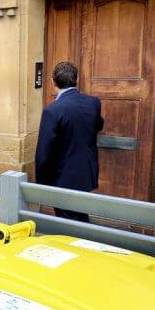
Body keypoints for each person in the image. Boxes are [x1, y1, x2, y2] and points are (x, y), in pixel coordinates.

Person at [34, 61, 104, 222]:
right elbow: (98, 124)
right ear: (77, 79)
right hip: (86, 173)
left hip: (62, 178)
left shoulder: (52, 110)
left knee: (69, 222)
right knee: (79, 216)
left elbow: (43, 153)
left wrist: (41, 186)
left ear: (52, 82)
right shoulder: (93, 103)